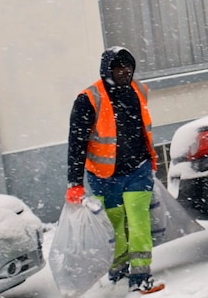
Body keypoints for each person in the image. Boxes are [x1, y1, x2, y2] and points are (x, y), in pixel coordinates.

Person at [66, 46, 165, 295]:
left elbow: (143, 128)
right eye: (118, 67)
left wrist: (149, 159)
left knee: (139, 220)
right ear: (106, 70)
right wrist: (74, 183)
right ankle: (118, 271)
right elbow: (76, 143)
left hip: (138, 169)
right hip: (103, 175)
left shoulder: (139, 90)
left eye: (128, 66)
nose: (125, 71)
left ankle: (141, 275)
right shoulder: (88, 99)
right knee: (114, 226)